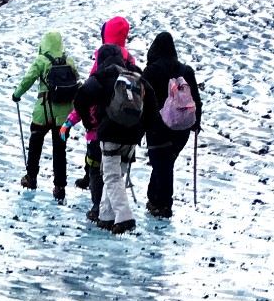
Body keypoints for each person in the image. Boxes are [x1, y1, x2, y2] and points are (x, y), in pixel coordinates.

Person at [68, 16, 143, 232]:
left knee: (106, 173)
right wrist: (143, 126)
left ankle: (121, 215)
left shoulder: (102, 68)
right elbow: (147, 97)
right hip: (131, 130)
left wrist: (86, 122)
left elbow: (84, 97)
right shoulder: (133, 67)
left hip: (106, 130)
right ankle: (106, 215)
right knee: (116, 173)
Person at [140, 31, 201, 218]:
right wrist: (196, 124)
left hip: (158, 127)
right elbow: (196, 100)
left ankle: (164, 205)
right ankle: (154, 199)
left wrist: (140, 125)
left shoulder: (151, 71)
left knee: (162, 164)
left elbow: (143, 100)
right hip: (182, 127)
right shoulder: (185, 70)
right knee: (165, 164)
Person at [13, 30, 78, 201]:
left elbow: (28, 79)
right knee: (60, 149)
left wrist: (17, 94)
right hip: (64, 114)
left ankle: (31, 177)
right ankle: (60, 186)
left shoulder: (41, 60)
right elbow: (76, 81)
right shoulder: (69, 60)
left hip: (44, 110)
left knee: (35, 143)